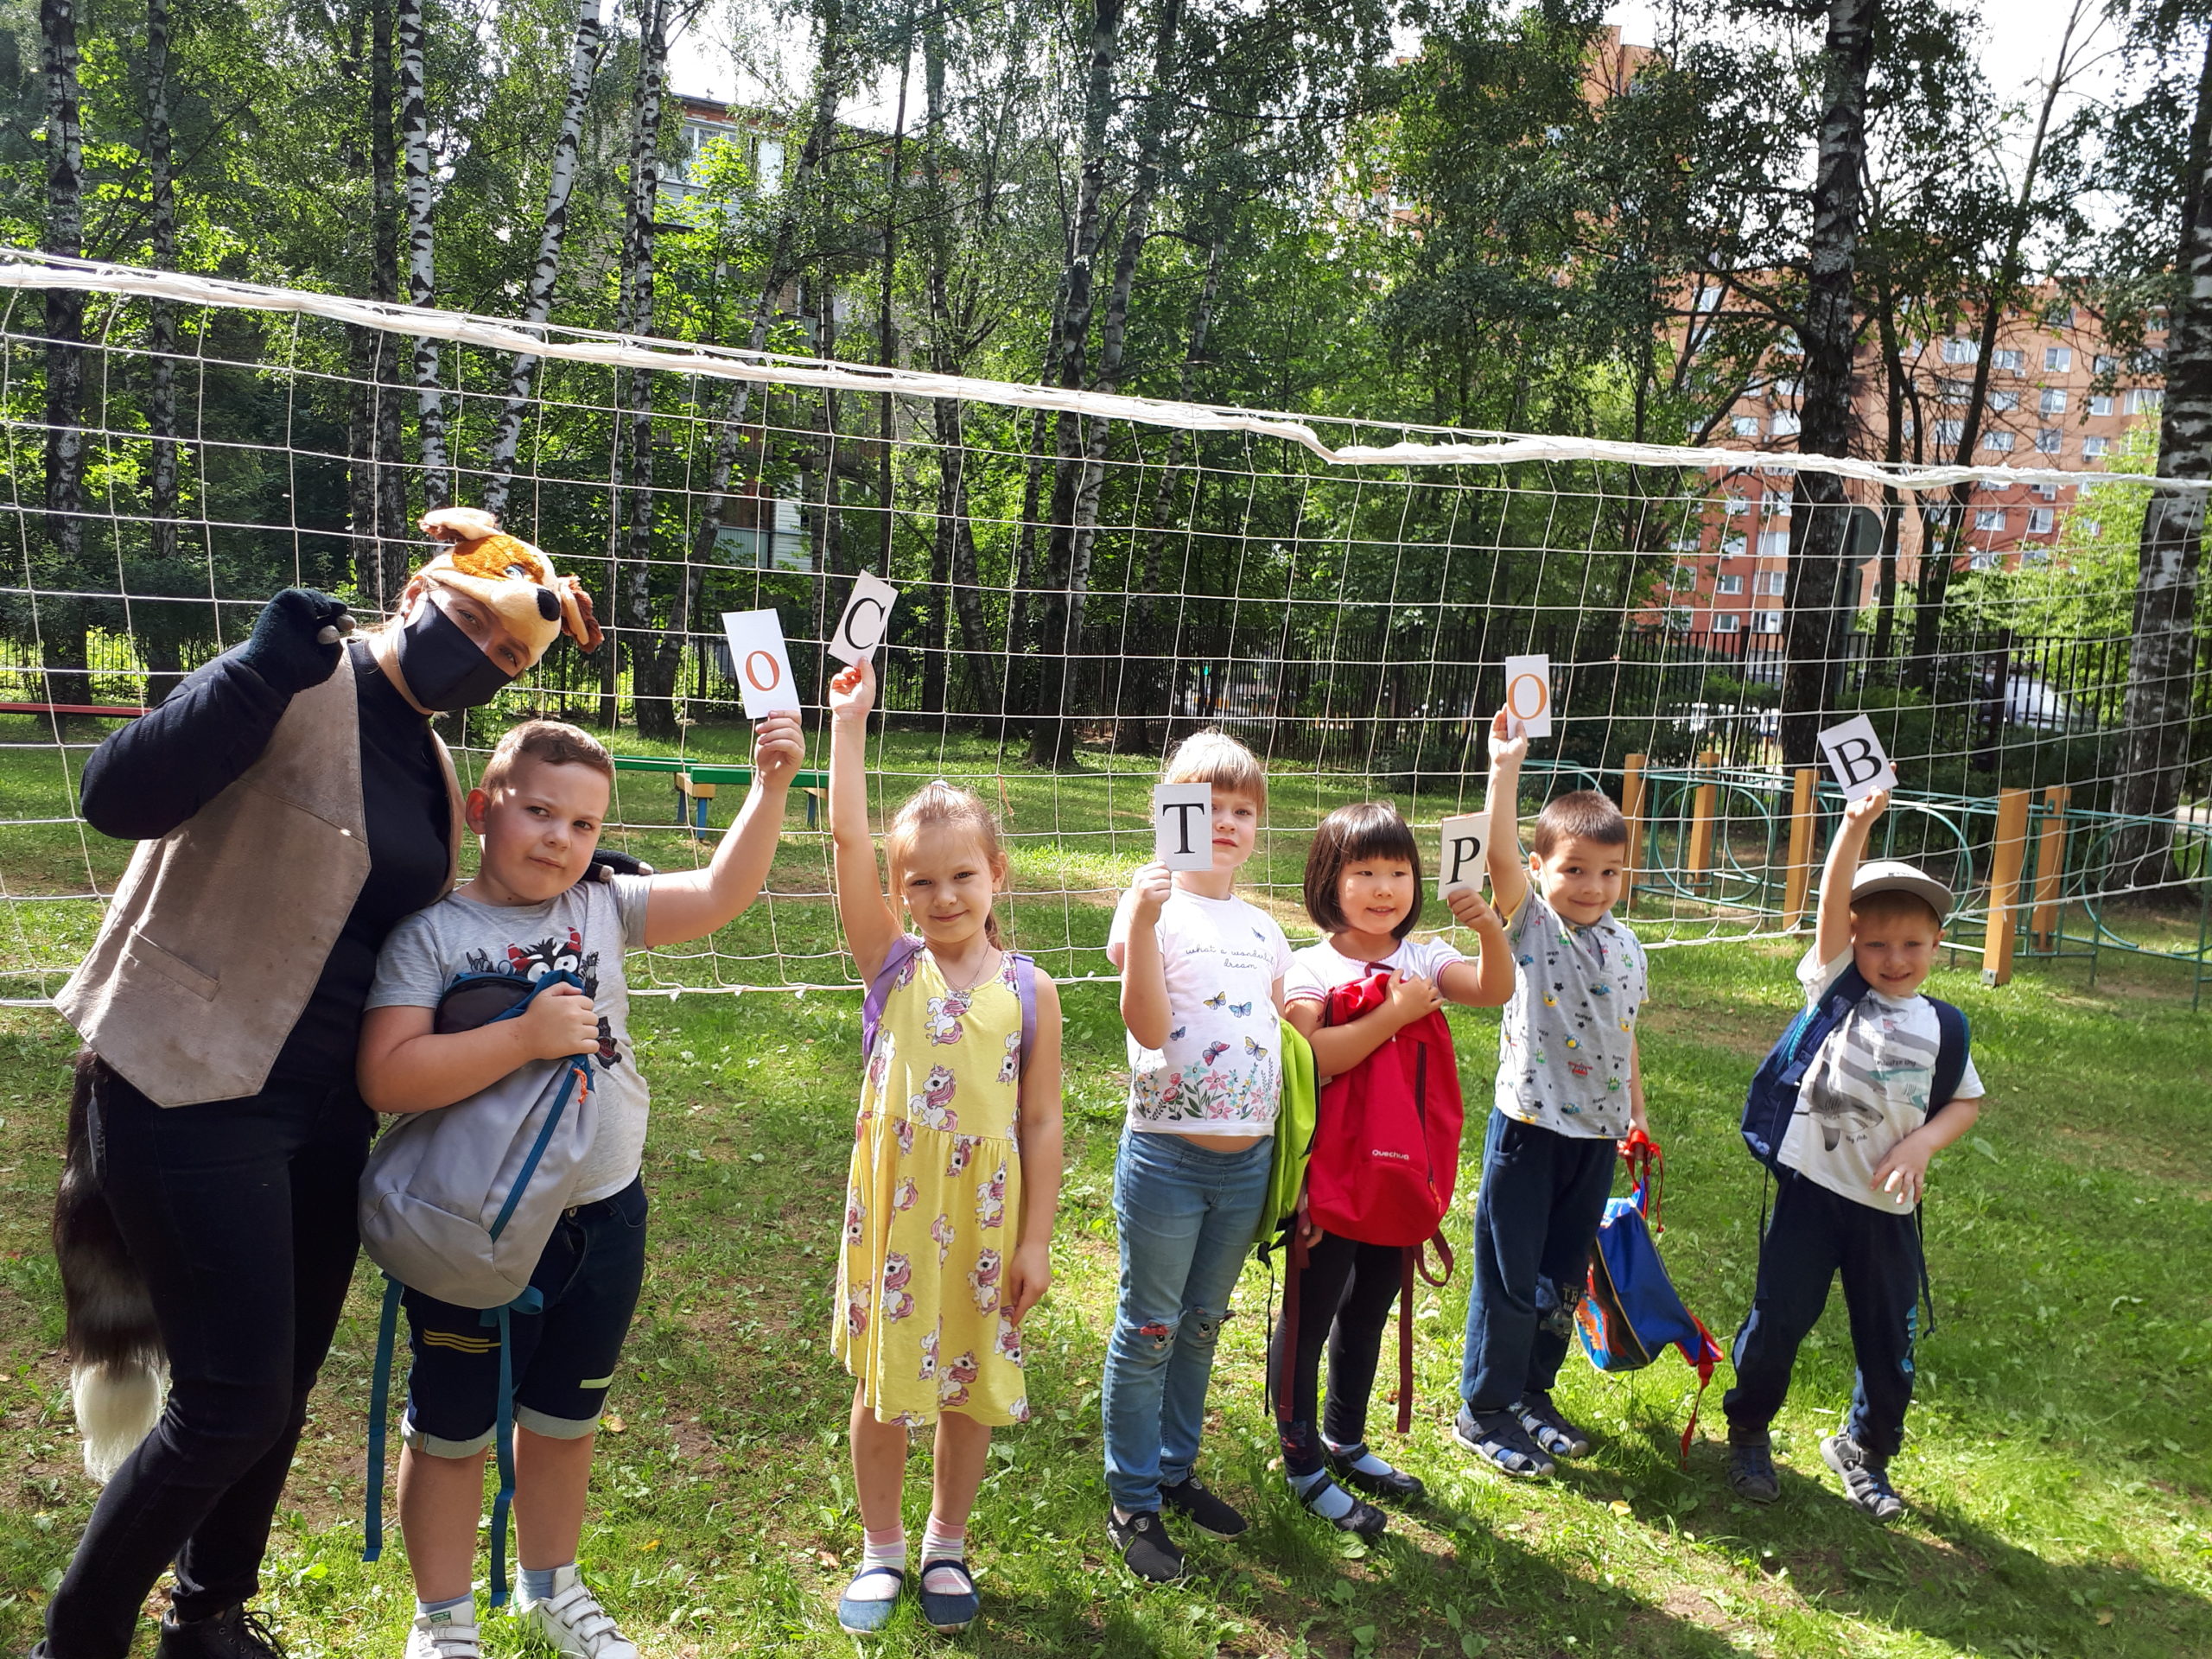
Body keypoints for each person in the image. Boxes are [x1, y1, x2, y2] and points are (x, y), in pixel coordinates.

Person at [40, 509, 599, 1659]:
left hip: (324, 1110)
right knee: (231, 1399)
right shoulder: (296, 677)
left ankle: (208, 1617)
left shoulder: (434, 759)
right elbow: (115, 797)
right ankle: (76, 1642)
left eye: (507, 657)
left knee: (282, 1390)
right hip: (187, 1082)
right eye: (471, 627)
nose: (481, 660)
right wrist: (250, 671)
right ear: (417, 593)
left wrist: (574, 878)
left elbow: (417, 916)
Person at [355, 715, 800, 1657]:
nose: (560, 839)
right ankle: (443, 1620)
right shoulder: (432, 935)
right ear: (484, 809)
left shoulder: (602, 905)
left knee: (566, 1417)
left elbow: (721, 893)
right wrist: (521, 1037)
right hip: (469, 1228)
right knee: (451, 1429)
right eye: (539, 812)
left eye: (585, 825)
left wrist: (768, 786)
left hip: (605, 1217)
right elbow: (387, 1077)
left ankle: (549, 1588)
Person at [824, 656, 1064, 1638]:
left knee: (968, 1386)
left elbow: (1041, 1121)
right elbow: (846, 837)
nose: (943, 895)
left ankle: (946, 1542)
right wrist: (848, 726)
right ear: (898, 891)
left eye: (962, 874)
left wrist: (1036, 1240)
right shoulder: (890, 966)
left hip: (984, 1222)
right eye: (919, 881)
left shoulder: (1032, 990)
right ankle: (880, 1547)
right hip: (897, 1214)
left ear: (996, 874)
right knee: (884, 1387)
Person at [1721, 788, 1985, 1520]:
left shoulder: (1945, 1027)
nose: (1893, 960)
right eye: (1876, 944)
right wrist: (1854, 825)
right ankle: (1748, 1431)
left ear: (1937, 945)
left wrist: (1923, 1142)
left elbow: (1965, 1102)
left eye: (1912, 945)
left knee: (1888, 1341)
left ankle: (1864, 1450)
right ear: (1851, 941)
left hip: (1887, 1213)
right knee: (1776, 1323)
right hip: (1812, 1196)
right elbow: (1832, 898)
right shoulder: (1834, 989)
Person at [1274, 802, 1514, 1534]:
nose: (1384, 888)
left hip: (1399, 1176)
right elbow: (1312, 1060)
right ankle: (1301, 1462)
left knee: (1369, 1307)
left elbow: (1494, 989)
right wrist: (1395, 1016)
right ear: (1328, 880)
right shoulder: (1310, 966)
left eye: (1399, 872)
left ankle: (1344, 1439)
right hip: (1330, 1178)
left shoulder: (1424, 957)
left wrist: (1488, 929)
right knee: (1310, 1316)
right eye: (1365, 872)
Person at [1102, 730, 1287, 1584]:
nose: (1226, 823)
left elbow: (1279, 1033)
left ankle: (1176, 1471)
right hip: (1167, 1160)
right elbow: (1146, 1026)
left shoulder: (1265, 930)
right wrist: (1143, 917)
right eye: (1208, 807)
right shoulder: (1152, 909)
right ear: (1168, 815)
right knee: (1150, 1328)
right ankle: (1132, 1497)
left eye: (1243, 810)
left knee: (1203, 1325)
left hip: (1245, 1167)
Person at [1454, 708, 1649, 1479]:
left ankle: (1534, 1393)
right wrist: (1505, 768)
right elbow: (1498, 853)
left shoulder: (1628, 945)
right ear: (1541, 871)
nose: (1592, 887)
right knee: (1509, 1277)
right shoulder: (1533, 924)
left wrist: (1636, 1114)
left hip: (1595, 1140)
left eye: (1608, 872)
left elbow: (1626, 1033)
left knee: (1562, 1280)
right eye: (1574, 869)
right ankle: (1485, 1407)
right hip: (1530, 1131)